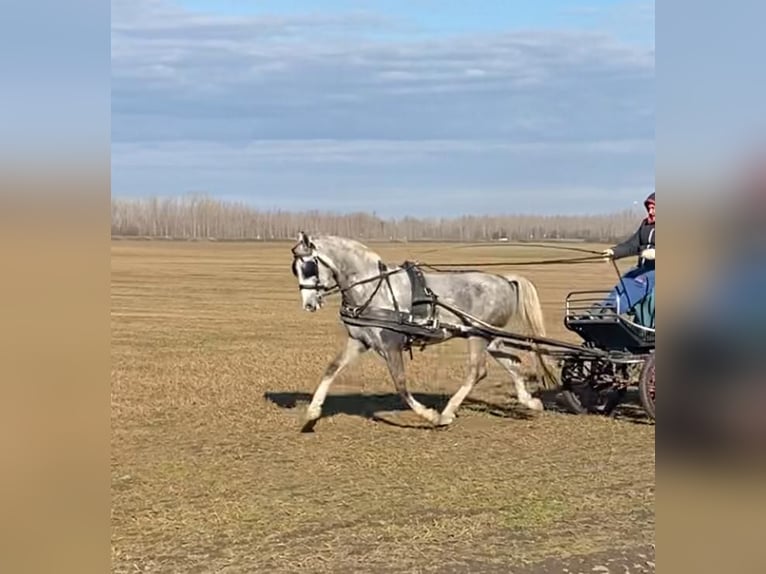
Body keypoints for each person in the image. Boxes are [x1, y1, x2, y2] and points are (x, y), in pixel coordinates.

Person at [600, 192, 655, 317]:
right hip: (643, 269)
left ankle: (614, 311)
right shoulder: (645, 225)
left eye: (654, 208)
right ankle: (600, 310)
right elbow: (632, 245)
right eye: (649, 208)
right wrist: (614, 252)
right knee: (627, 278)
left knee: (639, 281)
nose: (650, 212)